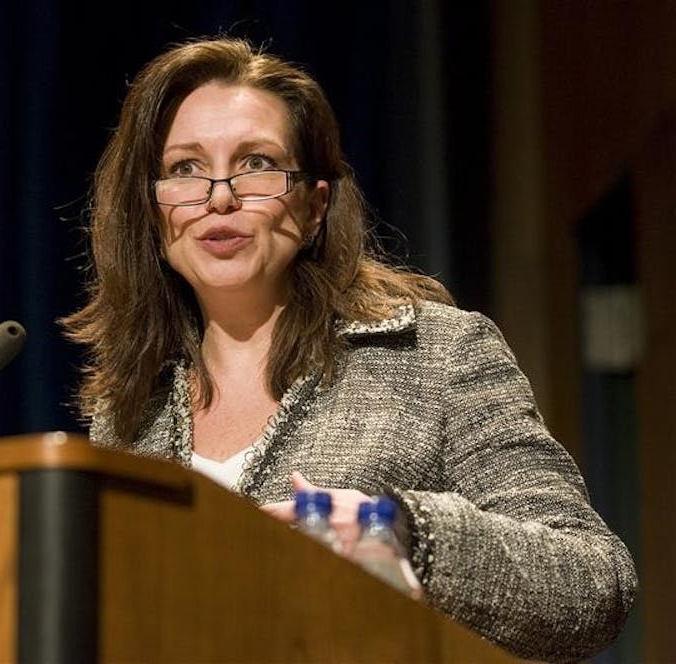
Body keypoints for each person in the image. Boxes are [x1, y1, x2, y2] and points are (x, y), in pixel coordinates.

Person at [61, 37, 636, 662]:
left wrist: (401, 533)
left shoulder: (434, 354)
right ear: (152, 211)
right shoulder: (126, 411)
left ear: (314, 206)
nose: (218, 195)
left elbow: (591, 583)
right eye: (185, 169)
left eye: (255, 163)